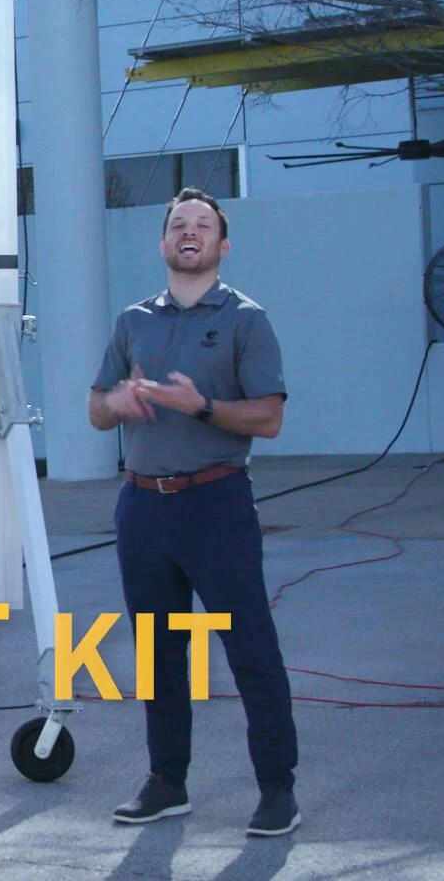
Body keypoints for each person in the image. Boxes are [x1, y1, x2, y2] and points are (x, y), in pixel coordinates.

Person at [87, 187, 300, 838]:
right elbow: (96, 410)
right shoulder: (133, 321)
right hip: (142, 507)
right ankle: (167, 782)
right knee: (158, 651)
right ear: (163, 243)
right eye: (178, 224)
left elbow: (268, 417)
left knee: (249, 648)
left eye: (202, 225)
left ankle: (277, 791)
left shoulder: (245, 320)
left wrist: (200, 407)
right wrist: (116, 404)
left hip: (215, 503)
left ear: (221, 245)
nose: (189, 232)